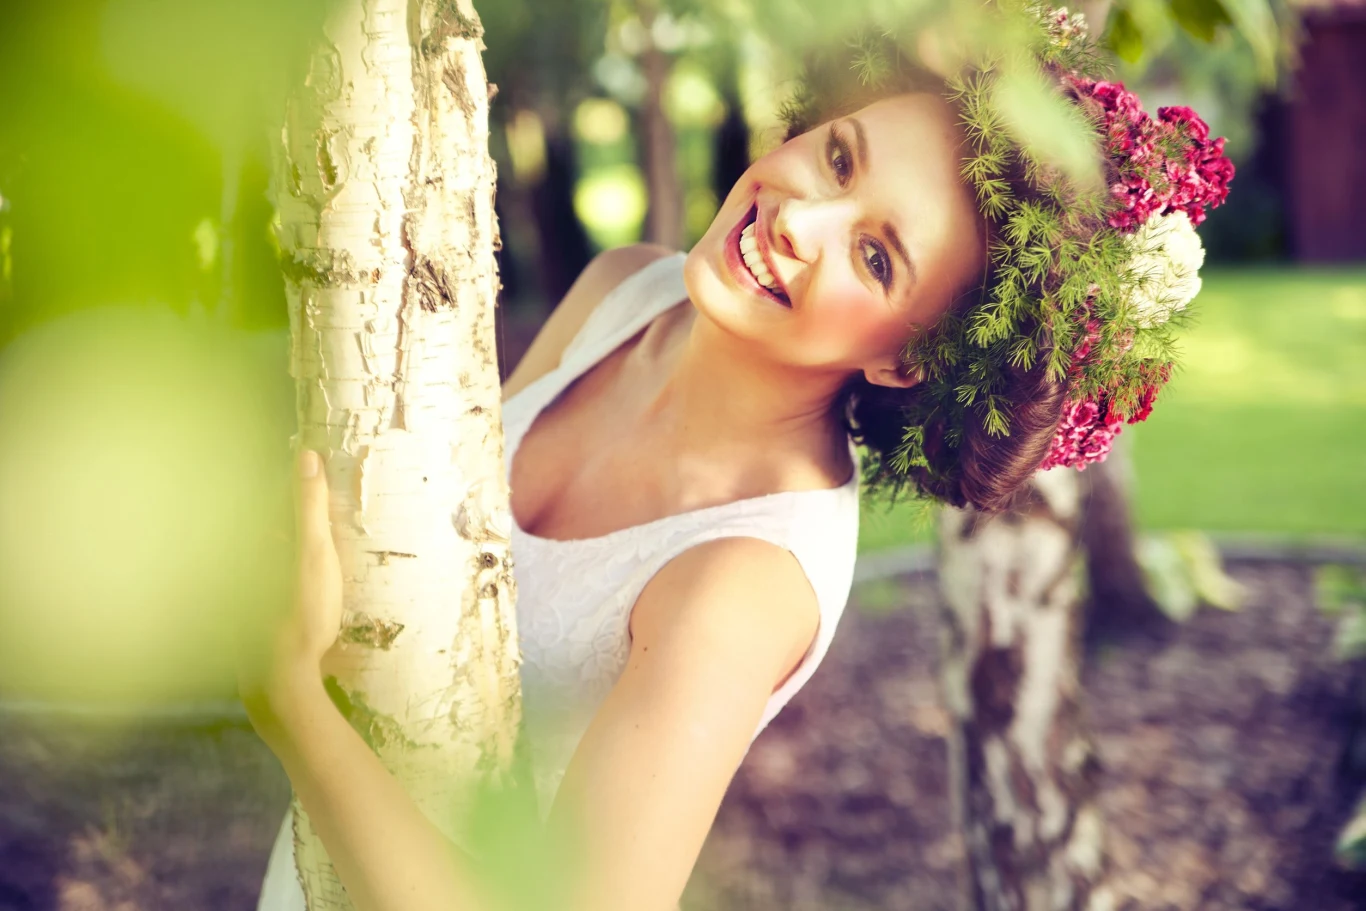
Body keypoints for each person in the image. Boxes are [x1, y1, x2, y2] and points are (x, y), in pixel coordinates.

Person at [247, 7, 1233, 911]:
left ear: (902, 359)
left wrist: (290, 702)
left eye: (877, 256)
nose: (800, 220)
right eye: (839, 158)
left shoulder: (742, 580)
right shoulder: (622, 291)